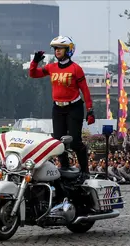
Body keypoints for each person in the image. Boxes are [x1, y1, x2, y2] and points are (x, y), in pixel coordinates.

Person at [29, 35, 95, 180]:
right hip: (58, 108)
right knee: (58, 141)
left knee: (75, 141)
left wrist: (90, 110)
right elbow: (33, 74)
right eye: (55, 49)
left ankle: (85, 170)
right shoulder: (51, 67)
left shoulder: (76, 69)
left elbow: (85, 90)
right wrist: (35, 61)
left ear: (68, 50)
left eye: (60, 48)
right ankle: (64, 166)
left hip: (74, 107)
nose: (57, 51)